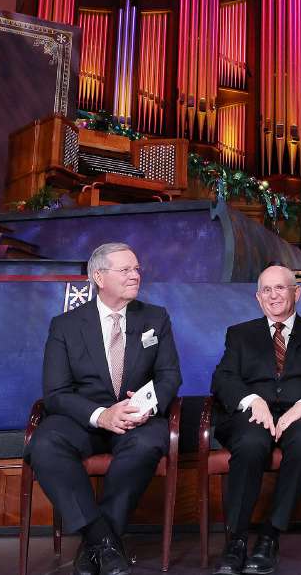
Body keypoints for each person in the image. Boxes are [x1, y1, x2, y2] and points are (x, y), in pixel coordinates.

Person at [24, 243, 182, 575]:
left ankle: (93, 545)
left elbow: (169, 376)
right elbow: (55, 393)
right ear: (99, 276)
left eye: (137, 269)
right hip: (83, 419)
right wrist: (102, 415)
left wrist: (145, 407)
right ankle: (103, 540)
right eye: (125, 270)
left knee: (148, 444)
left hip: (136, 418)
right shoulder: (65, 325)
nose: (134, 275)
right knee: (44, 444)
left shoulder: (156, 317)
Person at [209, 264, 301, 575]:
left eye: (280, 288)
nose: (273, 296)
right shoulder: (240, 334)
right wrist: (252, 400)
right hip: (252, 416)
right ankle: (237, 541)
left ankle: (270, 536)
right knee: (249, 443)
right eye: (266, 290)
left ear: (296, 292)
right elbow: (223, 378)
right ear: (258, 298)